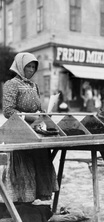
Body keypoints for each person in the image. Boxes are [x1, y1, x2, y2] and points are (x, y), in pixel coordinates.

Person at [2, 52, 59, 204]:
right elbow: (8, 111)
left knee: (41, 164)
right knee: (24, 168)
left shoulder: (35, 86)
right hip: (20, 133)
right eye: (28, 66)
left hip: (36, 132)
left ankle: (40, 207)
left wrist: (43, 114)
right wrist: (28, 116)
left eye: (34, 67)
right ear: (20, 66)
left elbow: (38, 108)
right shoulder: (11, 84)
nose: (31, 70)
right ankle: (23, 207)